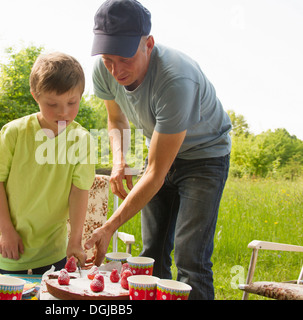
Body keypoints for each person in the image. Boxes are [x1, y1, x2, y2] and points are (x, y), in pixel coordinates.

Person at [85, 0, 231, 300]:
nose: (115, 70)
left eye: (123, 58)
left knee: (191, 257)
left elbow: (155, 173)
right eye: (108, 58)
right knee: (150, 253)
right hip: (161, 151)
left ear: (148, 44)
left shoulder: (176, 79)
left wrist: (110, 227)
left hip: (205, 157)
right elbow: (115, 119)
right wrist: (120, 160)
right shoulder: (104, 70)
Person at [0, 52, 95, 275]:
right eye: (52, 104)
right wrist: (6, 231)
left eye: (72, 102)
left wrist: (75, 241)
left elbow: (79, 192)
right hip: (12, 243)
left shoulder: (83, 140)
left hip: (54, 249)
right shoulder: (13, 133)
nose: (63, 112)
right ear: (36, 96)